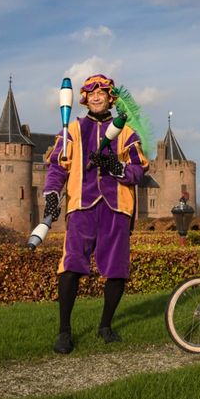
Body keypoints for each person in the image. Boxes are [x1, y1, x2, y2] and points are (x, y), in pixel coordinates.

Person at [43, 74, 149, 354]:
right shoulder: (73, 130)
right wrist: (52, 196)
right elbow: (57, 166)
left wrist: (116, 167)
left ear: (111, 97)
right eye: (92, 93)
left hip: (117, 208)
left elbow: (139, 170)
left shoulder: (126, 132)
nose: (97, 97)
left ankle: (105, 325)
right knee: (71, 266)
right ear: (84, 99)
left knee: (116, 269)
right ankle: (64, 331)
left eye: (102, 92)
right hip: (82, 205)